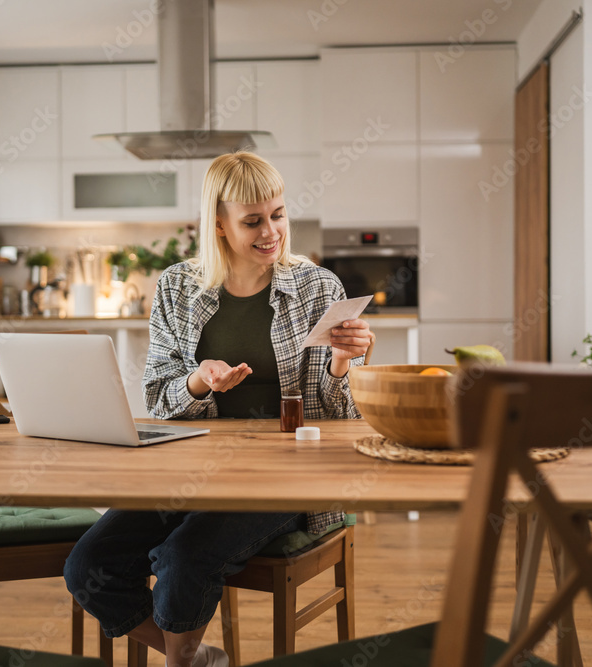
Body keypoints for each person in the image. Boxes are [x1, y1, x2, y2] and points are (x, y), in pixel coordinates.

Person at [64, 151, 373, 667]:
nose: (271, 231)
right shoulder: (177, 288)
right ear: (220, 226)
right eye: (253, 220)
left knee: (184, 557)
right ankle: (196, 657)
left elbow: (341, 422)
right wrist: (198, 382)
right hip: (190, 470)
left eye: (278, 213)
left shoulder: (319, 288)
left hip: (285, 476)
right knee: (88, 562)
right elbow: (159, 398)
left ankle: (180, 663)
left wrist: (342, 364)